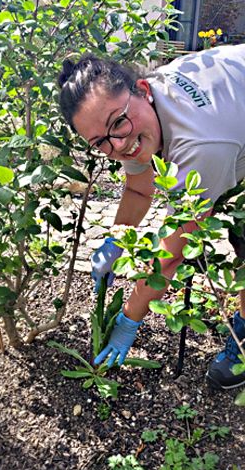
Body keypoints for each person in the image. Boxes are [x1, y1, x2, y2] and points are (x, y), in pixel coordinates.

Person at [58, 48, 245, 389]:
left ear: (143, 89)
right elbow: (140, 189)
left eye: (118, 123)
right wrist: (116, 238)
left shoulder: (201, 144)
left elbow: (176, 250)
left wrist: (129, 318)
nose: (119, 144)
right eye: (100, 141)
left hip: (222, 131)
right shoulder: (142, 114)